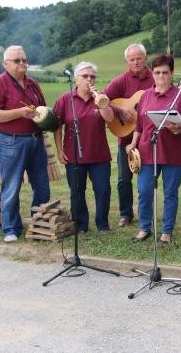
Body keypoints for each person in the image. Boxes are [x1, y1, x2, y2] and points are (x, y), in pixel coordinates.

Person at [126, 54, 181, 243]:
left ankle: (166, 231)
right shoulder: (146, 95)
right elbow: (139, 126)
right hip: (148, 150)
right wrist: (133, 143)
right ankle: (144, 227)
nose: (161, 76)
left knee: (170, 192)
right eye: (157, 72)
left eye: (165, 72)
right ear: (153, 74)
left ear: (172, 73)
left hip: (173, 152)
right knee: (144, 190)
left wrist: (178, 129)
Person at [0, 45, 50, 243]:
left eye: (23, 60)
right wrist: (20, 113)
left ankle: (39, 224)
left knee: (41, 184)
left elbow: (41, 107)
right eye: (17, 61)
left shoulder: (32, 83)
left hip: (35, 139)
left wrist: (45, 118)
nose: (22, 63)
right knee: (12, 185)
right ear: (5, 64)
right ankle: (11, 228)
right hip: (10, 140)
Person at [53, 62, 114, 233]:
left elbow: (109, 119)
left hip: (99, 154)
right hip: (73, 155)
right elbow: (57, 126)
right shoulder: (65, 100)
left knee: (103, 190)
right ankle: (81, 224)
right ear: (76, 79)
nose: (89, 79)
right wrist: (59, 150)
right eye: (85, 76)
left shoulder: (101, 97)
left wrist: (101, 101)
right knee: (77, 191)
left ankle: (102, 224)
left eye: (92, 76)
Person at [103, 43, 154, 228]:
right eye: (132, 59)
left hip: (147, 137)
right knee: (124, 179)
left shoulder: (154, 77)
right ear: (127, 62)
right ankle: (125, 214)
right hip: (125, 137)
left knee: (147, 178)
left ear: (145, 58)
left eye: (139, 58)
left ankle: (146, 213)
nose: (136, 62)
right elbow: (102, 98)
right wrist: (120, 109)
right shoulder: (121, 80)